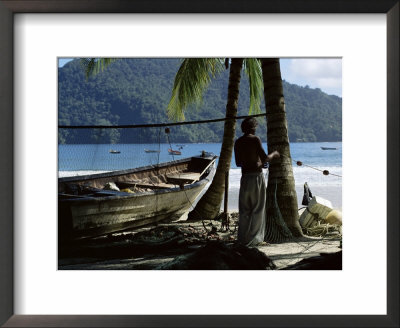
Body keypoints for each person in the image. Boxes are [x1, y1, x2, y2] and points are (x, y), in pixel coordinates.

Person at [234, 117, 280, 247]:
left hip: (245, 178)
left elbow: (238, 163)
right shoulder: (255, 139)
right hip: (256, 177)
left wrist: (257, 162)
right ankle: (254, 239)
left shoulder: (238, 142)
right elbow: (265, 158)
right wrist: (275, 154)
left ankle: (243, 238)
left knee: (245, 210)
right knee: (258, 209)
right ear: (253, 128)